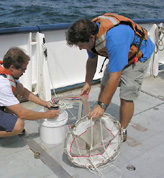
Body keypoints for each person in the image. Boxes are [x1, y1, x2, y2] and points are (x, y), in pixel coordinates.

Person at [66, 13, 155, 142]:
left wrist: (101, 106)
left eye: (81, 45)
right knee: (104, 86)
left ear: (91, 38)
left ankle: (122, 130)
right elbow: (92, 60)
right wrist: (87, 83)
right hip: (118, 54)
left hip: (137, 57)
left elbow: (115, 77)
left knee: (126, 96)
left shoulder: (115, 39)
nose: (80, 49)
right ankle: (98, 117)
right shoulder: (89, 34)